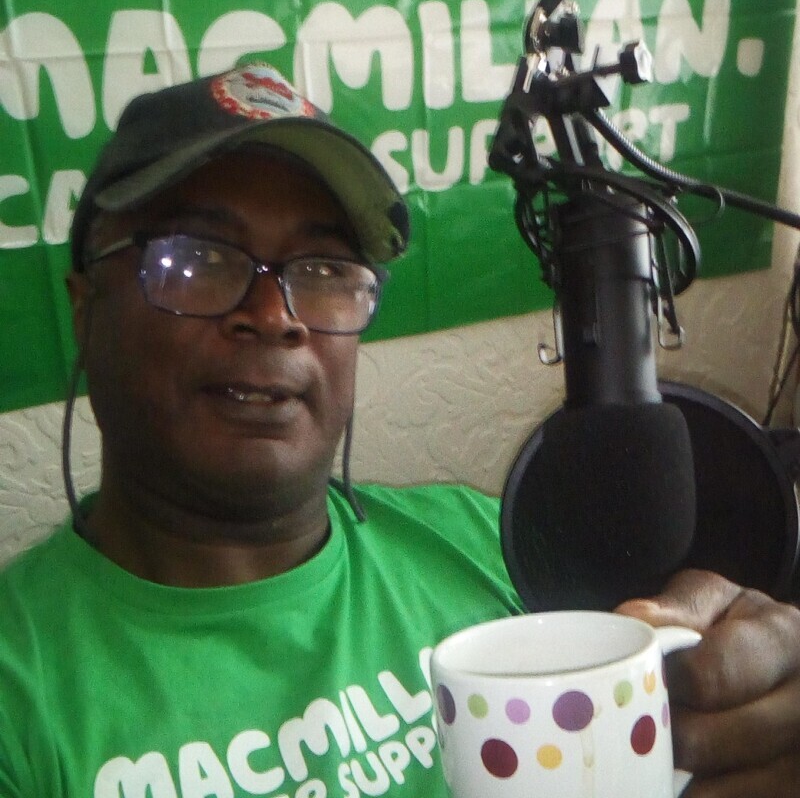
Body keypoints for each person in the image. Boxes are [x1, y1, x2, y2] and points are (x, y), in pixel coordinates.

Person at [0, 62, 798, 798]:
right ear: (85, 308)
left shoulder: (497, 545)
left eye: (324, 271)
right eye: (198, 259)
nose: (275, 316)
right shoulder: (19, 696)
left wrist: (744, 701)